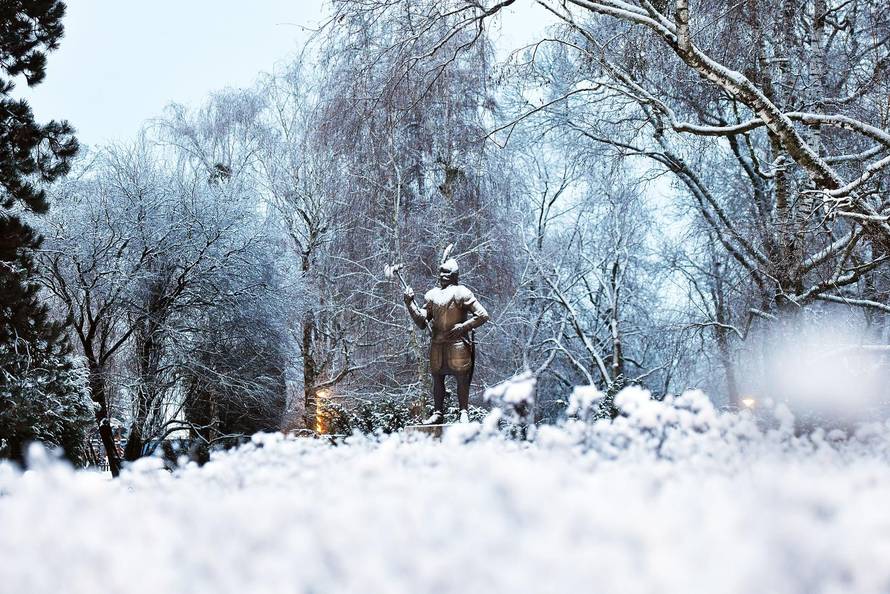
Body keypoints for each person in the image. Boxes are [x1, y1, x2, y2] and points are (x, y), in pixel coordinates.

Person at [403, 257, 489, 424]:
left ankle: (463, 411)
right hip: (437, 343)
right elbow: (421, 322)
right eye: (441, 272)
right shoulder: (432, 295)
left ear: (454, 275)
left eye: (447, 273)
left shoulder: (462, 292)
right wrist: (410, 303)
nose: (443, 276)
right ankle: (438, 412)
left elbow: (482, 315)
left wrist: (463, 327)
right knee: (437, 379)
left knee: (462, 378)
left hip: (457, 343)